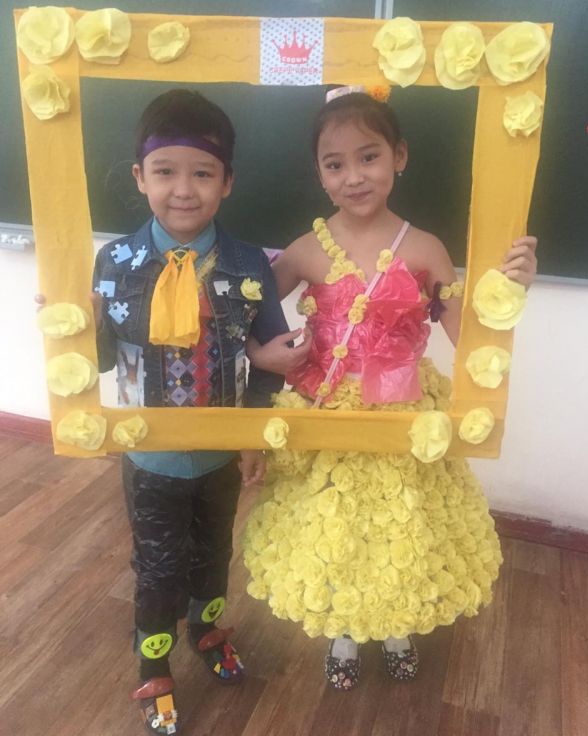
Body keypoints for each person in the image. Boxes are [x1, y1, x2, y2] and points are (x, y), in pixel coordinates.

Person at [243, 87, 538, 691]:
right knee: (336, 524)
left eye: (369, 156)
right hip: (328, 414)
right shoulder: (306, 250)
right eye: (335, 164)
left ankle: (398, 625)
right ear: (319, 173)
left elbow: (466, 334)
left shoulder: (426, 248)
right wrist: (257, 353)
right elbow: (240, 312)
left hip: (404, 412)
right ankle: (344, 630)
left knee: (401, 523)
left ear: (398, 156)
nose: (353, 176)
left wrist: (511, 290)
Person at [91, 89, 291, 733]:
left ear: (227, 182)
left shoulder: (247, 264)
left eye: (203, 173)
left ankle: (207, 634)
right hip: (149, 457)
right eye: (165, 172)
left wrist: (254, 434)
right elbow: (98, 359)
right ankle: (153, 665)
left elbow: (270, 358)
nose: (183, 190)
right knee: (157, 568)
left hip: (221, 455)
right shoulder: (114, 263)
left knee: (212, 554)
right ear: (140, 177)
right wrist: (73, 323)